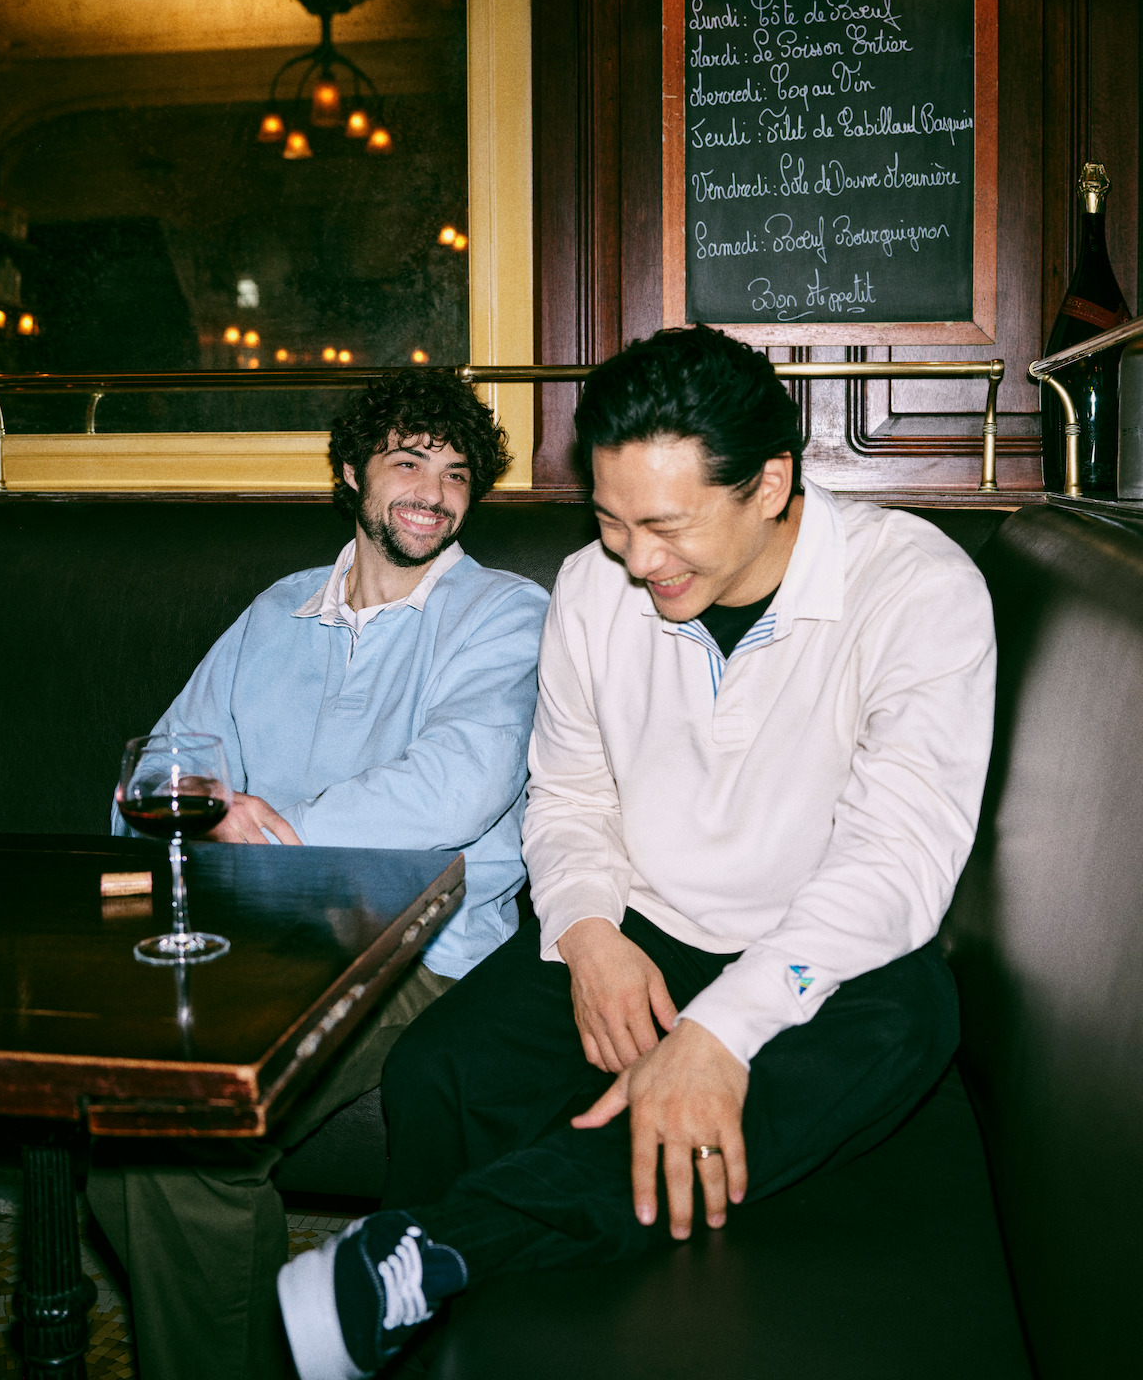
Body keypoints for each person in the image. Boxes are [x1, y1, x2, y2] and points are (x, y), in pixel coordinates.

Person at [278, 326, 998, 1380]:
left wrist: (719, 1036)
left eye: (664, 526)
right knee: (443, 1065)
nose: (637, 560)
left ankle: (440, 1253)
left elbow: (896, 866)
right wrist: (586, 931)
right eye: (612, 522)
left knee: (913, 1018)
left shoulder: (920, 592)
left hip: (828, 956)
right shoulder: (589, 588)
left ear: (768, 484)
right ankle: (422, 1339)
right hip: (645, 931)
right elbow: (567, 797)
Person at [86, 368, 549, 1380]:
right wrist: (206, 818)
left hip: (418, 945)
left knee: (185, 1151)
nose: (433, 490)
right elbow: (166, 763)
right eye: (408, 461)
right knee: (125, 1125)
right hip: (254, 935)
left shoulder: (506, 612)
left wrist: (273, 832)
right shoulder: (278, 611)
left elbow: (458, 789)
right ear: (351, 472)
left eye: (457, 472)